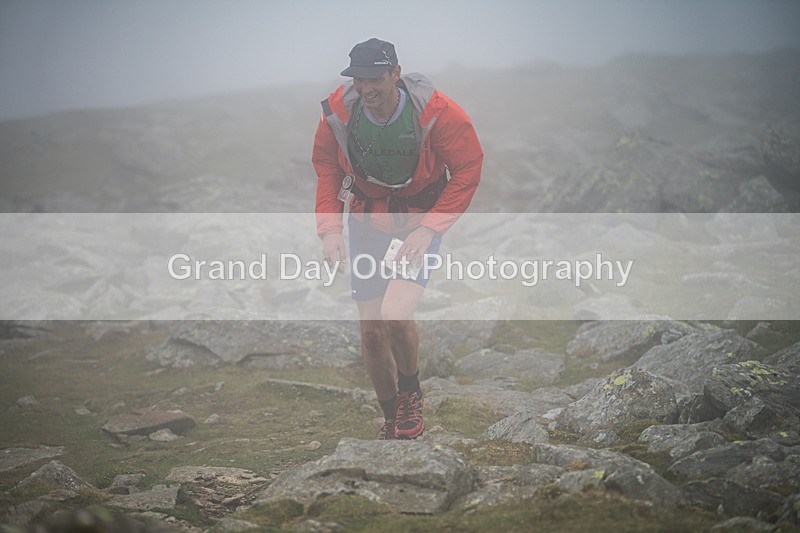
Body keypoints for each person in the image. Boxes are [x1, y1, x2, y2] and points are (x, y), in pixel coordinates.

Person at [312, 38, 483, 440]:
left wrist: (430, 229)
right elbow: (326, 168)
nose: (366, 89)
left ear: (395, 74)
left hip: (418, 224)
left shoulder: (437, 113)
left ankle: (411, 394)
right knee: (371, 333)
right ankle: (390, 418)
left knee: (395, 314)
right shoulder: (338, 113)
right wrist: (330, 230)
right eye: (358, 79)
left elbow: (468, 168)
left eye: (374, 78)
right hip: (368, 222)